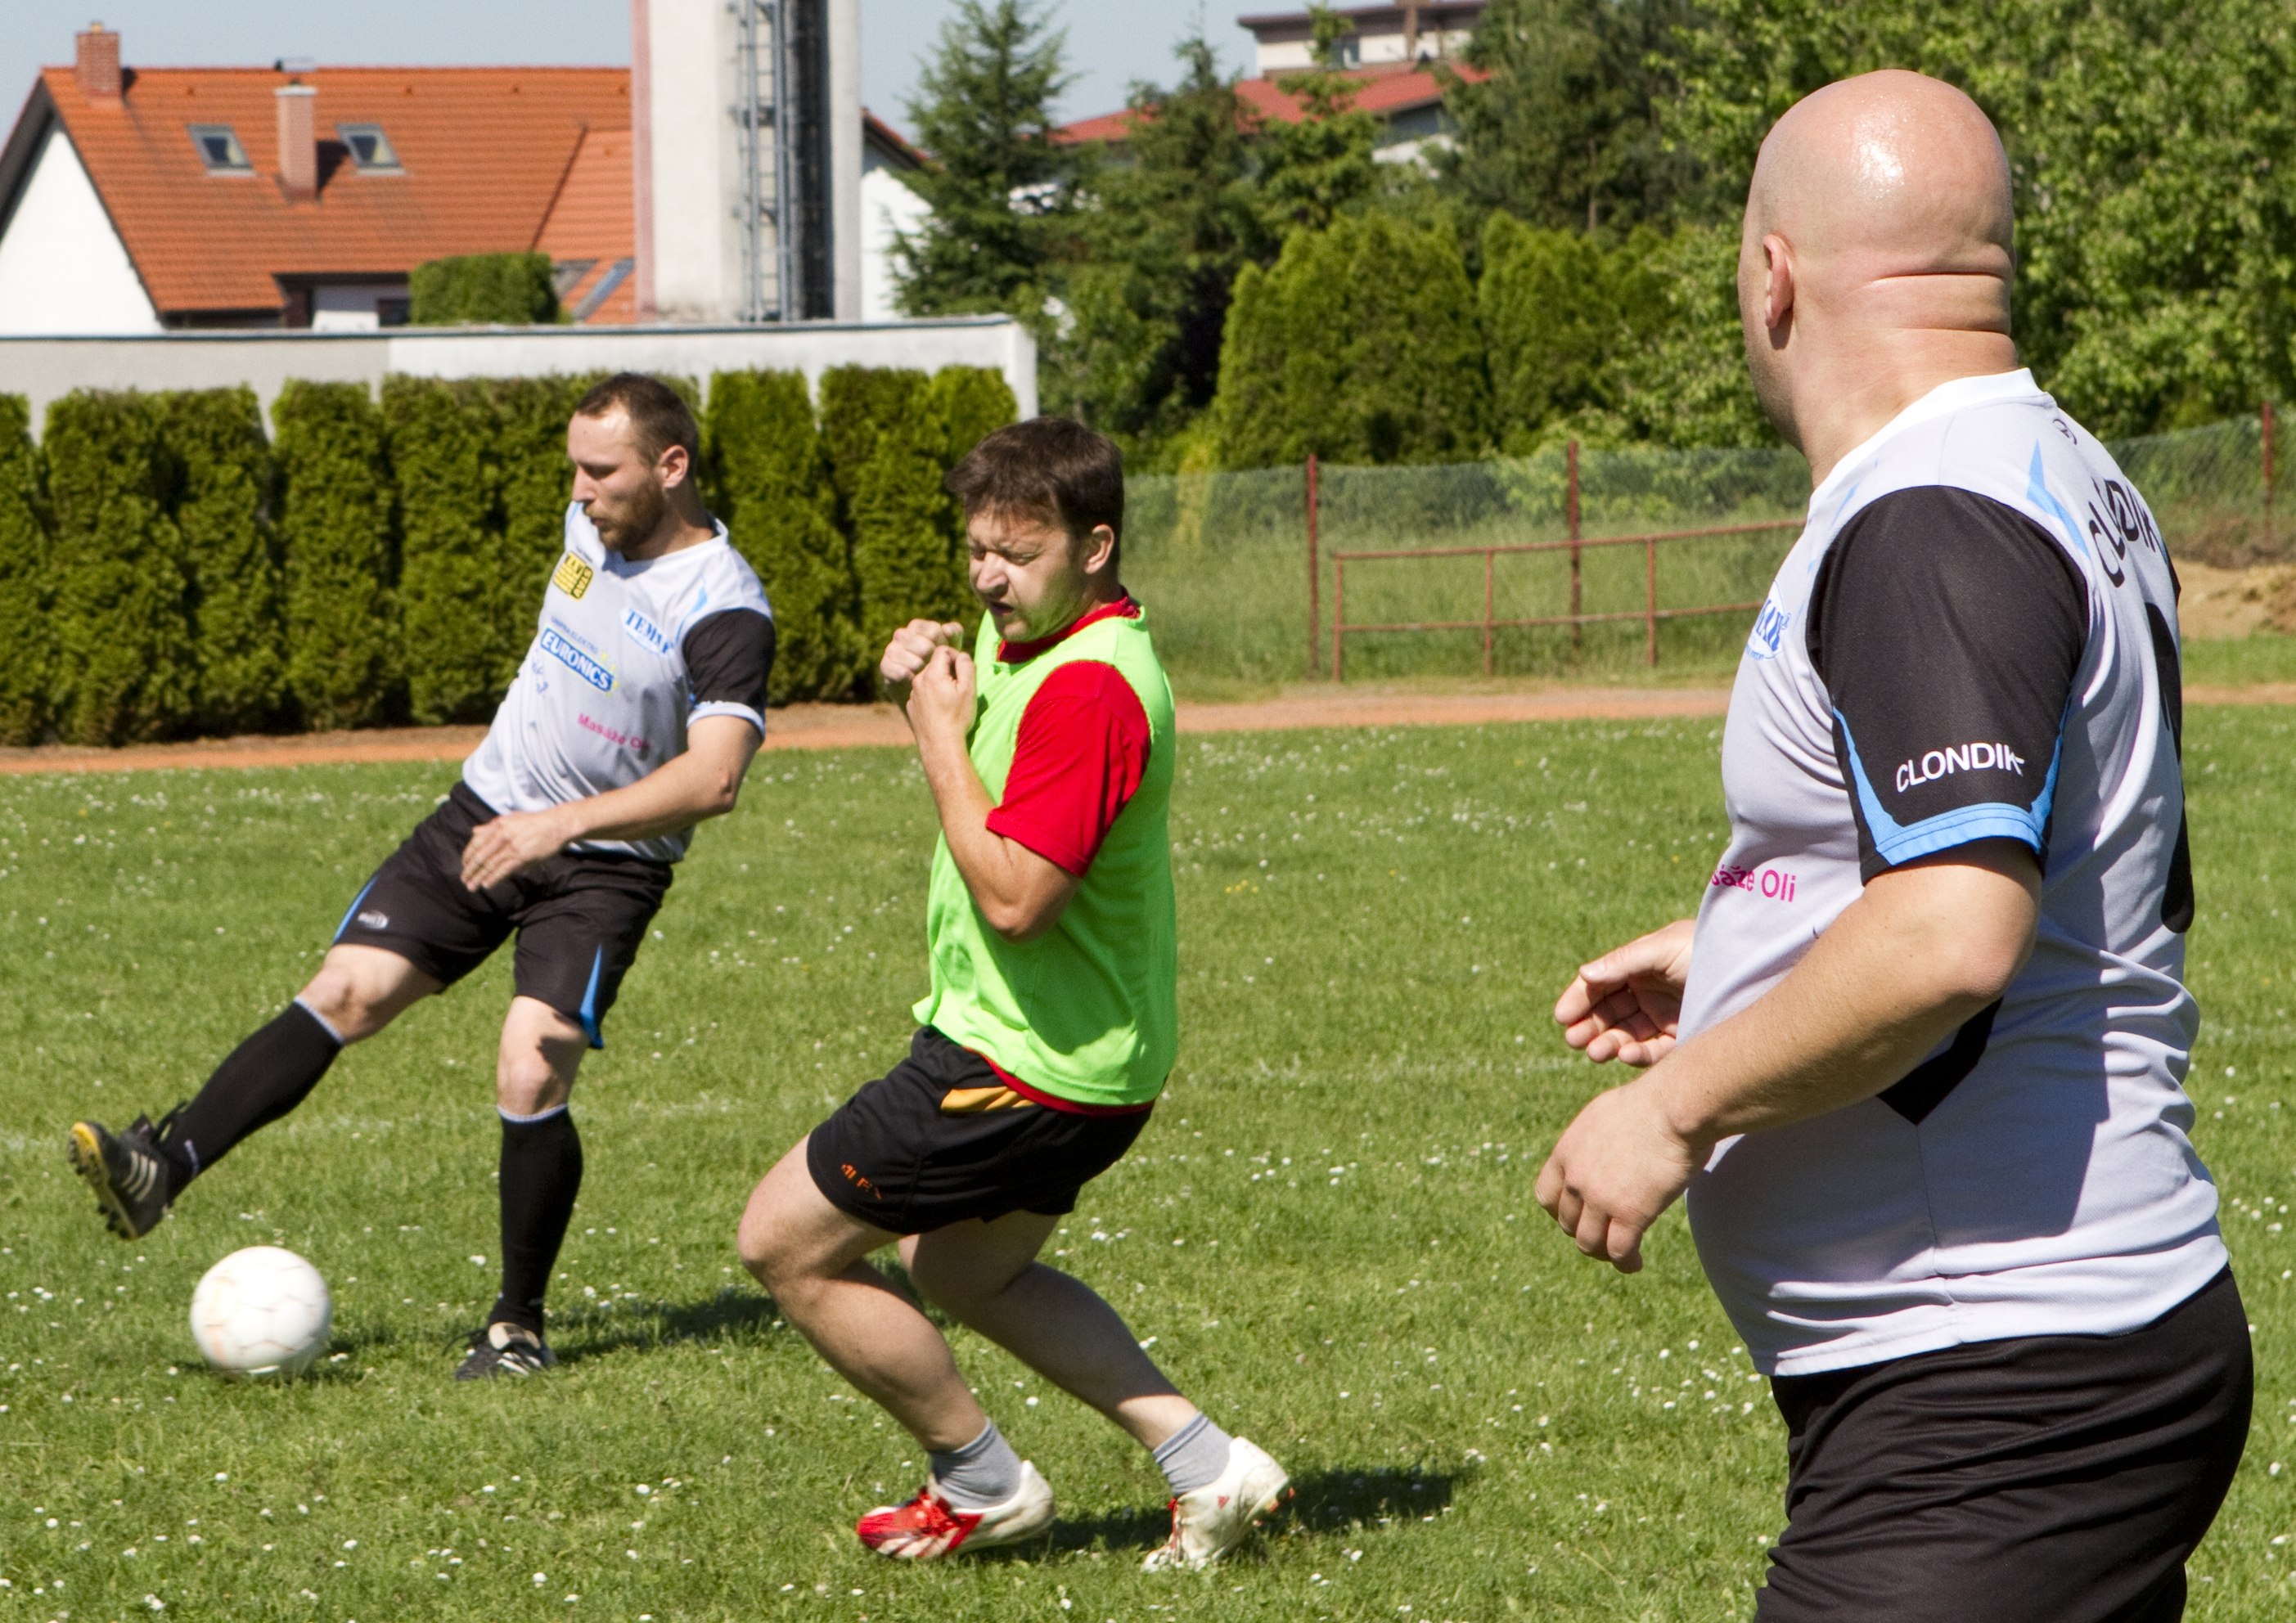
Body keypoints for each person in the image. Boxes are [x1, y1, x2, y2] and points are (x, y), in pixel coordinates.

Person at [1536, 71, 2243, 1621]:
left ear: (1772, 272)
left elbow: (1949, 932)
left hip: (1997, 1381)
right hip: (2043, 1363)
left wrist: (1678, 1105)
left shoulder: (1927, 510)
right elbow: (2029, 845)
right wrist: (1741, 938)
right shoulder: (2055, 467)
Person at [69, 372, 777, 1382]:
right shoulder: (593, 533)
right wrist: (522, 812)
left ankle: (516, 1327)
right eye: (573, 467)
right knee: (343, 992)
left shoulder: (725, 608)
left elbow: (713, 780)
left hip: (601, 865)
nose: (578, 490)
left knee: (532, 1067)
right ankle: (163, 1168)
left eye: (600, 471)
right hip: (484, 815)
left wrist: (559, 826)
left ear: (672, 467)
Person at [736, 416, 1287, 1567]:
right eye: (976, 548)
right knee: (959, 1264)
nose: (986, 576)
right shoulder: (1033, 639)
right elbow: (987, 753)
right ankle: (1207, 1465)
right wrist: (929, 685)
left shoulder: (1093, 689)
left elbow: (1015, 900)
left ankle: (980, 1480)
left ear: (1095, 546)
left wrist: (931, 733)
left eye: (1014, 552)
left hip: (1022, 1064)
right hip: (1069, 1053)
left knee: (784, 1244)